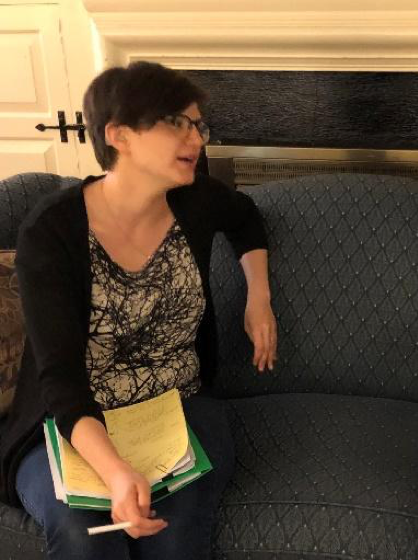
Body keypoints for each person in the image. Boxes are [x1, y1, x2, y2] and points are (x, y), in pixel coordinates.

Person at [0, 61, 277, 559]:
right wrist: (115, 471)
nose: (195, 136)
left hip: (180, 406)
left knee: (173, 535)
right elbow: (60, 381)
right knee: (85, 538)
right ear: (119, 135)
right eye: (177, 122)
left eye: (198, 124)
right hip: (74, 421)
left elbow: (247, 219)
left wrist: (259, 298)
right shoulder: (51, 232)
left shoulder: (196, 200)